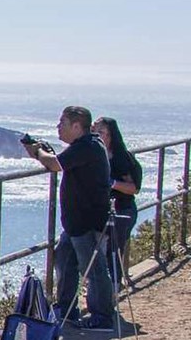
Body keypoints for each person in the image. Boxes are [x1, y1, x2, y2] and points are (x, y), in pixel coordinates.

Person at [26, 106, 114, 328]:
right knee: (64, 260)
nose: (58, 127)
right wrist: (44, 154)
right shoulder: (86, 146)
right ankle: (66, 310)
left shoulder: (87, 146)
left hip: (87, 221)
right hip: (76, 222)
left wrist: (37, 152)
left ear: (77, 126)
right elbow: (61, 161)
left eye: (62, 123)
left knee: (93, 269)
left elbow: (55, 164)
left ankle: (102, 317)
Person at [93, 116, 142, 287]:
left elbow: (133, 187)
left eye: (101, 132)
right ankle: (101, 289)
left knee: (113, 251)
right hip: (100, 210)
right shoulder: (94, 154)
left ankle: (113, 288)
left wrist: (111, 182)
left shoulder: (122, 158)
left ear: (111, 135)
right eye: (94, 131)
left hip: (122, 209)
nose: (97, 135)